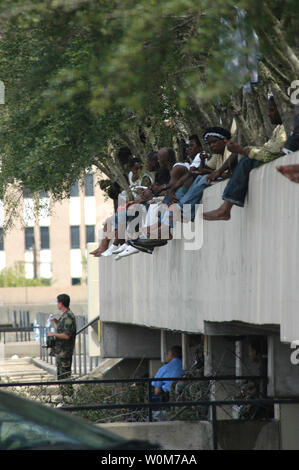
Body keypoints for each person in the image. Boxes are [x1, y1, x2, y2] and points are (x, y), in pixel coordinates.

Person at [203, 96, 287, 221]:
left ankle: (221, 210)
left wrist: (242, 151)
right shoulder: (278, 129)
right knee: (198, 181)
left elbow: (271, 154)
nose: (268, 114)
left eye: (271, 110)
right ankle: (177, 219)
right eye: (209, 144)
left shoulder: (285, 128)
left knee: (245, 162)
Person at [47, 294, 77, 398]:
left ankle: (69, 398)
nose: (57, 304)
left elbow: (67, 335)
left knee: (65, 377)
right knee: (61, 377)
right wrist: (55, 321)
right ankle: (66, 398)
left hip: (65, 353)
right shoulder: (64, 315)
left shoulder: (68, 316)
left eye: (57, 302)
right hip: (61, 352)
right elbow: (63, 328)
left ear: (61, 303)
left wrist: (53, 334)